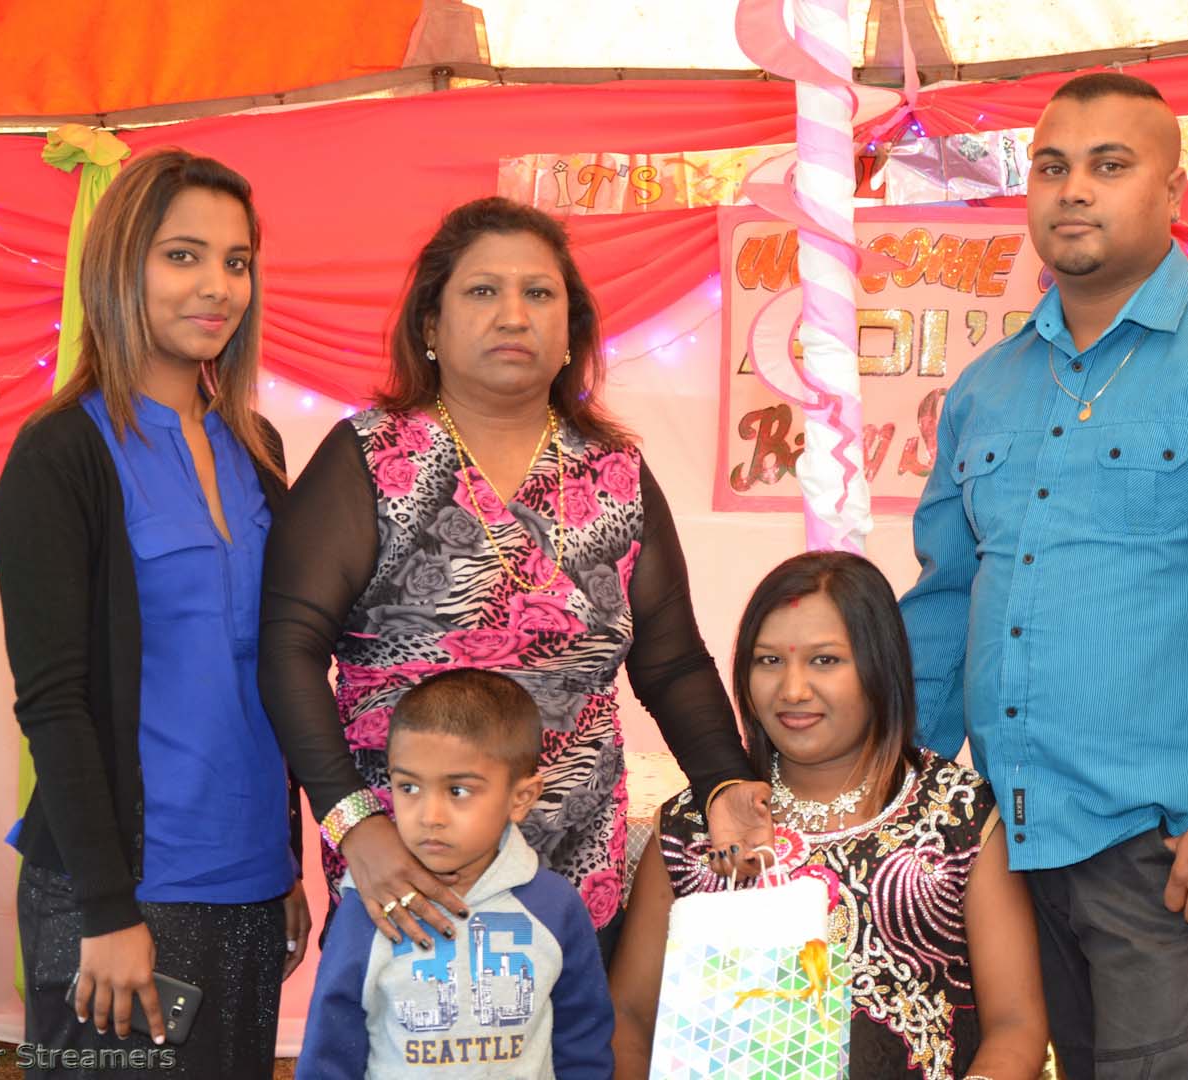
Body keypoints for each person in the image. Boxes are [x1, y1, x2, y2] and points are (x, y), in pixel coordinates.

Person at [899, 72, 1188, 1079]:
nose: (1073, 189)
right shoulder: (985, 389)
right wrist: (894, 795)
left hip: (1169, 850)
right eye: (1050, 167)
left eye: (1108, 166)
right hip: (1005, 841)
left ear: (1172, 190)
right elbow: (943, 603)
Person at [259, 196, 773, 965]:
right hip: (406, 886)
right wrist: (353, 825)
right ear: (430, 326)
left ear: (571, 332)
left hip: (573, 895)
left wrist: (725, 782)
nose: (513, 314)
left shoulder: (616, 473)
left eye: (538, 293)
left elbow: (670, 665)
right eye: (481, 291)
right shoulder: (369, 458)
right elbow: (286, 651)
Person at [0, 149, 310, 1078]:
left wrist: (288, 863)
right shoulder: (60, 454)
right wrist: (106, 910)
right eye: (182, 256)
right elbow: (53, 700)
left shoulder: (258, 448)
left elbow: (273, 672)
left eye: (236, 261)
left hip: (251, 883)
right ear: (118, 267)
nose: (217, 286)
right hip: (124, 891)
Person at [611, 552, 1048, 1080]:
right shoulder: (695, 825)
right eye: (769, 660)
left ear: (879, 667)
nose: (793, 690)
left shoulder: (959, 815)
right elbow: (628, 1016)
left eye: (825, 660)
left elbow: (1015, 1025)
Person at [297, 669, 614, 1078]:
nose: (430, 816)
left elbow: (583, 1037)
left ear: (521, 798)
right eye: (409, 788)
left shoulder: (556, 907)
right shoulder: (370, 907)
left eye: (458, 791)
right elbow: (330, 1046)